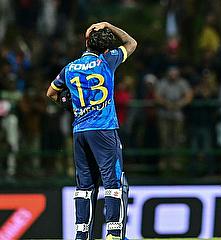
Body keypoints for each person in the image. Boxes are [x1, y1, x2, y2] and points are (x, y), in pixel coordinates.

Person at [46, 22, 137, 240]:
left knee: (84, 186)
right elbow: (131, 43)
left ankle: (81, 234)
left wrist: (70, 104)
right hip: (104, 130)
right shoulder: (108, 61)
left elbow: (51, 93)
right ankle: (114, 233)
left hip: (80, 131)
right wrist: (108, 25)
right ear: (106, 49)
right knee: (114, 183)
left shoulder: (69, 68)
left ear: (86, 43)